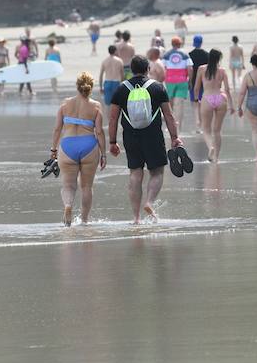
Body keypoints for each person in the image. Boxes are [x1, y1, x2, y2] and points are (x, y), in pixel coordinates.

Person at [108, 55, 181, 224]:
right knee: (157, 172)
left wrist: (112, 142)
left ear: (131, 70)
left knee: (135, 173)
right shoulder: (158, 88)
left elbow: (113, 118)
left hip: (131, 136)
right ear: (148, 69)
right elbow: (169, 115)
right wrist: (175, 137)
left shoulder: (121, 89)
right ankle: (149, 202)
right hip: (153, 135)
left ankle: (136, 218)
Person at [49, 72, 106, 226]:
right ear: (90, 87)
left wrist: (54, 150)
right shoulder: (95, 106)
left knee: (68, 185)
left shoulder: (65, 104)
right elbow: (99, 131)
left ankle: (68, 205)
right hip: (88, 146)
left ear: (77, 86)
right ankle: (84, 221)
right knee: (87, 186)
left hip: (68, 146)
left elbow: (56, 129)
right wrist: (104, 154)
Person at [193, 49, 232, 162]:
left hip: (207, 97)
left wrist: (196, 100)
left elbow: (196, 87)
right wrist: (231, 104)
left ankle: (211, 147)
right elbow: (228, 89)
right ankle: (216, 158)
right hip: (220, 97)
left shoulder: (201, 69)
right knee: (217, 131)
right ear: (219, 59)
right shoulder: (222, 70)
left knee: (206, 129)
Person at [160, 37, 191, 131]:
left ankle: (170, 126)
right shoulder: (185, 55)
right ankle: (178, 127)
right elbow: (190, 68)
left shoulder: (167, 55)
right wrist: (190, 80)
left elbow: (162, 68)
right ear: (180, 44)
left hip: (169, 81)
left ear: (172, 44)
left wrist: (163, 79)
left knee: (170, 104)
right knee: (179, 105)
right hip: (182, 81)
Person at [187, 34, 208, 127]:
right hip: (204, 81)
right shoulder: (207, 55)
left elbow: (189, 69)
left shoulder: (190, 55)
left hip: (193, 80)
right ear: (201, 42)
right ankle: (202, 122)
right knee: (203, 101)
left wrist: (189, 81)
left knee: (195, 102)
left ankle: (197, 121)